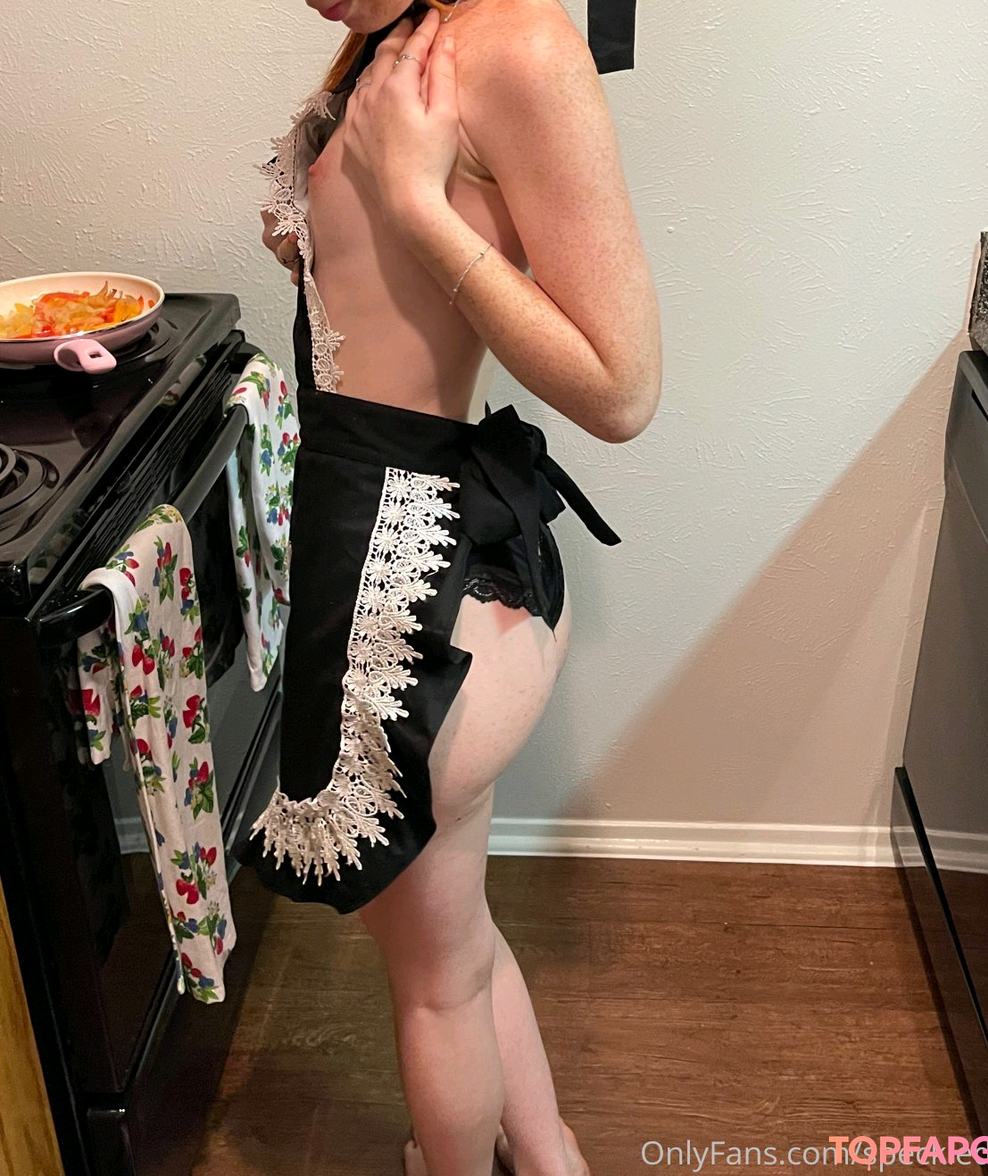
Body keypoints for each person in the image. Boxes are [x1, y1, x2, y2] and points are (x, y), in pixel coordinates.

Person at [238, 0, 661, 1173]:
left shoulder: (513, 44)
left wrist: (418, 211)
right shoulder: (398, 40)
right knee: (456, 947)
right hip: (390, 555)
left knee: (434, 984)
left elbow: (623, 389)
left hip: (412, 597)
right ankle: (549, 1154)